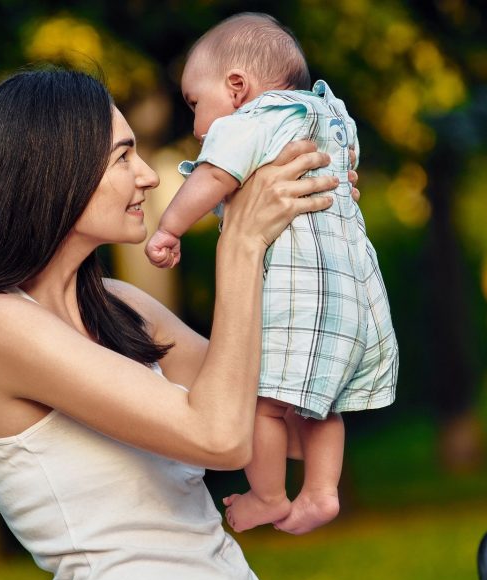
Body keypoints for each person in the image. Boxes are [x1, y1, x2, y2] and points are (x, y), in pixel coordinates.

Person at [0, 67, 344, 580]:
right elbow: (220, 437)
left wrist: (294, 228)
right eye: (122, 157)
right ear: (51, 169)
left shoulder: (120, 307)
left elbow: (283, 415)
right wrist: (241, 245)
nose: (148, 176)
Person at [145, 13, 399, 535]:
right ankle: (323, 493)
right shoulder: (330, 117)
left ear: (237, 88)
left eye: (197, 104)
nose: (196, 127)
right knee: (320, 405)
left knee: (262, 403)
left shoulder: (252, 121)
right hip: (355, 296)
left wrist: (169, 226)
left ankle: (267, 495)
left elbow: (215, 174)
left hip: (299, 293)